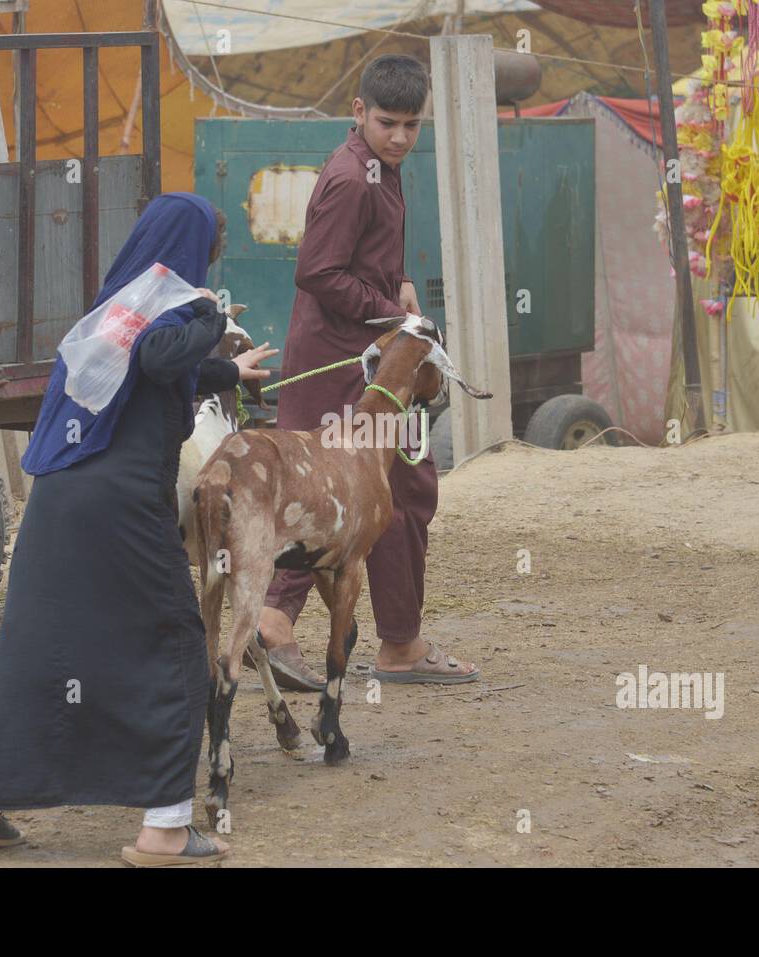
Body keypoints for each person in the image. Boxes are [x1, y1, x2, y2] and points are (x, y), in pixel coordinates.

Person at [0, 192, 275, 866]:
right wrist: (212, 316)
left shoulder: (111, 310)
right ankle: (166, 830)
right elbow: (160, 355)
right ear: (188, 252)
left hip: (58, 499)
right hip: (121, 506)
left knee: (36, 648)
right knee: (178, 640)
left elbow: (147, 367)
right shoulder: (180, 307)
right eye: (212, 246)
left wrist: (227, 371)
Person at [255, 55, 480, 689]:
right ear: (359, 112)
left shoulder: (384, 167)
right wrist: (397, 320)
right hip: (341, 364)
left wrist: (400, 285)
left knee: (403, 492)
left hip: (375, 359)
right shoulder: (353, 177)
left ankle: (387, 639)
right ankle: (281, 620)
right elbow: (318, 272)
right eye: (388, 123)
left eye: (413, 124)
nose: (402, 136)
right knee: (337, 495)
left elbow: (367, 258)